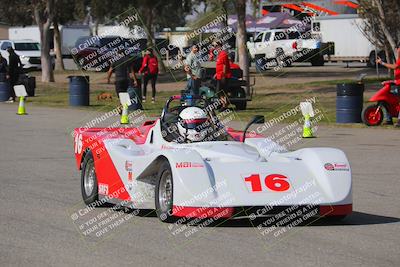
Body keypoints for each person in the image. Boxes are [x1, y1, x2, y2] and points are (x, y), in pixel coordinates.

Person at [377, 42, 400, 127]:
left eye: (398, 48)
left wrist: (382, 63)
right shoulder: (398, 59)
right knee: (386, 98)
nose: (398, 50)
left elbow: (395, 67)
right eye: (397, 48)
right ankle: (389, 119)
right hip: (398, 84)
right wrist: (391, 81)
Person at [213, 41, 232, 111]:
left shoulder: (223, 54)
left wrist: (223, 75)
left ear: (220, 46)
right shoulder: (219, 54)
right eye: (214, 46)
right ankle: (225, 104)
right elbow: (219, 65)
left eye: (216, 46)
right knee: (220, 91)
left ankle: (225, 105)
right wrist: (216, 74)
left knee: (220, 91)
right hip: (219, 75)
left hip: (223, 76)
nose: (215, 48)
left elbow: (224, 65)